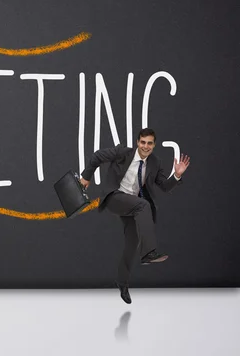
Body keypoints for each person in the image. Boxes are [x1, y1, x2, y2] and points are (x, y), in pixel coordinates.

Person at [79, 128, 190, 304]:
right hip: (115, 197)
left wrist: (176, 175)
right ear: (138, 142)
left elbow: (165, 187)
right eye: (143, 142)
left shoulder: (155, 162)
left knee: (131, 244)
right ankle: (149, 253)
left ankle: (122, 283)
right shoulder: (123, 153)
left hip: (133, 204)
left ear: (154, 145)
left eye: (149, 143)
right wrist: (86, 177)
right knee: (143, 205)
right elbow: (96, 156)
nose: (146, 146)